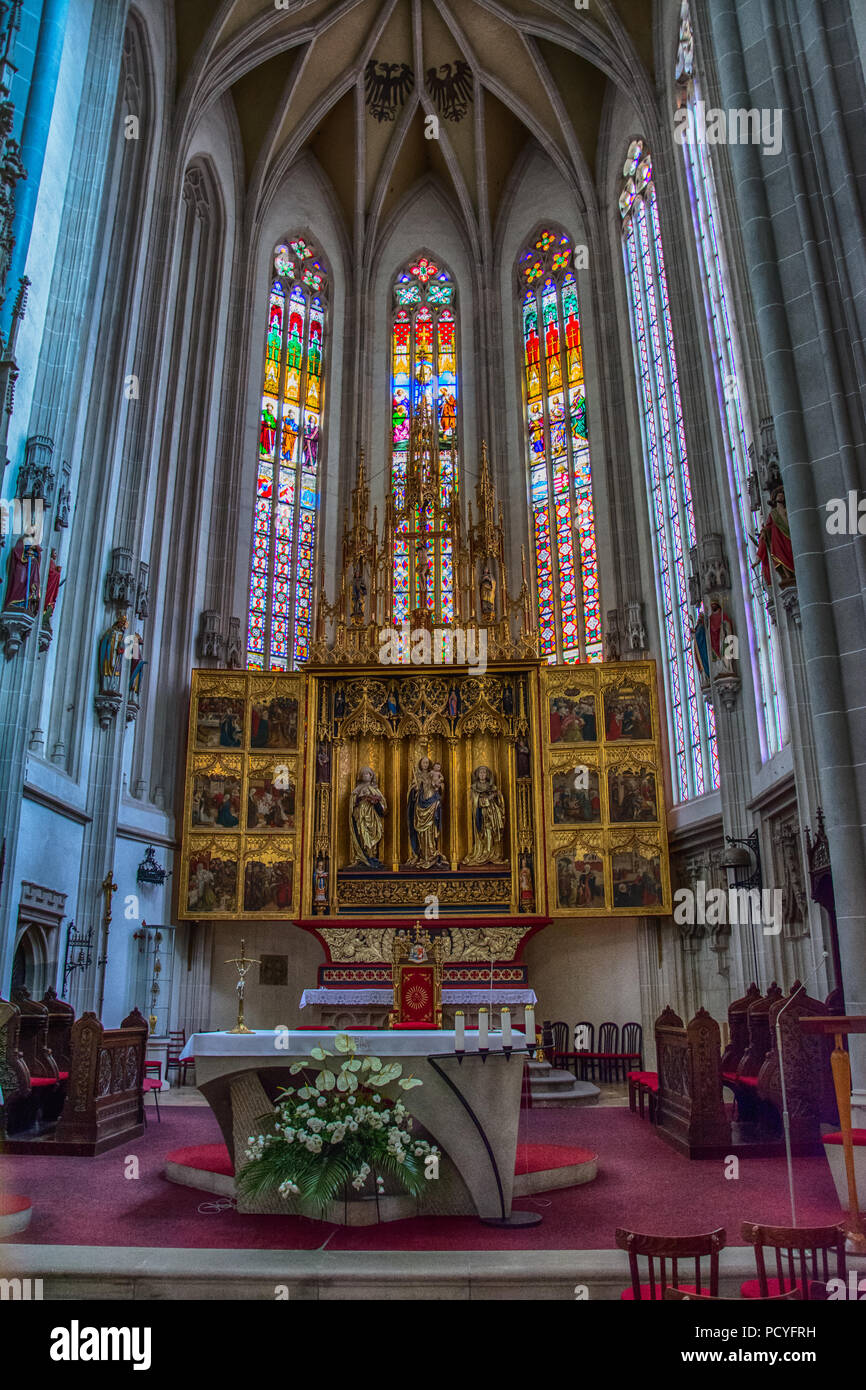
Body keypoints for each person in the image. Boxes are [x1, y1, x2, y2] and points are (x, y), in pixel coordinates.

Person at [462, 765, 506, 866]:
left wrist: (493, 796)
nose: (482, 775)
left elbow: (498, 798)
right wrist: (481, 800)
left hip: (491, 815)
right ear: (477, 775)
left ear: (487, 775)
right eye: (480, 773)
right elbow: (473, 800)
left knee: (491, 831)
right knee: (483, 832)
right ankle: (483, 852)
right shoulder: (474, 787)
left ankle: (491, 853)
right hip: (480, 814)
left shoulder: (492, 787)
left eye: (484, 773)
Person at [407, 756, 445, 869]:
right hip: (420, 807)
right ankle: (423, 855)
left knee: (431, 831)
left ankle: (432, 853)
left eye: (427, 762)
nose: (425, 764)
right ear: (420, 764)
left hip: (432, 804)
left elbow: (440, 786)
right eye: (423, 762)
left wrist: (438, 791)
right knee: (421, 833)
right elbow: (411, 791)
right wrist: (415, 789)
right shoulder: (417, 775)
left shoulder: (433, 774)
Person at [349, 767, 387, 867]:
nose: (366, 775)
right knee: (362, 834)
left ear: (371, 776)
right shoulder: (358, 789)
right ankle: (363, 856)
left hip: (372, 816)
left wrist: (375, 801)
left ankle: (372, 855)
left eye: (368, 774)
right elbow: (353, 803)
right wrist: (360, 800)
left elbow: (383, 804)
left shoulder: (375, 790)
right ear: (361, 776)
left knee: (373, 834)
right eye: (364, 774)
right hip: (361, 816)